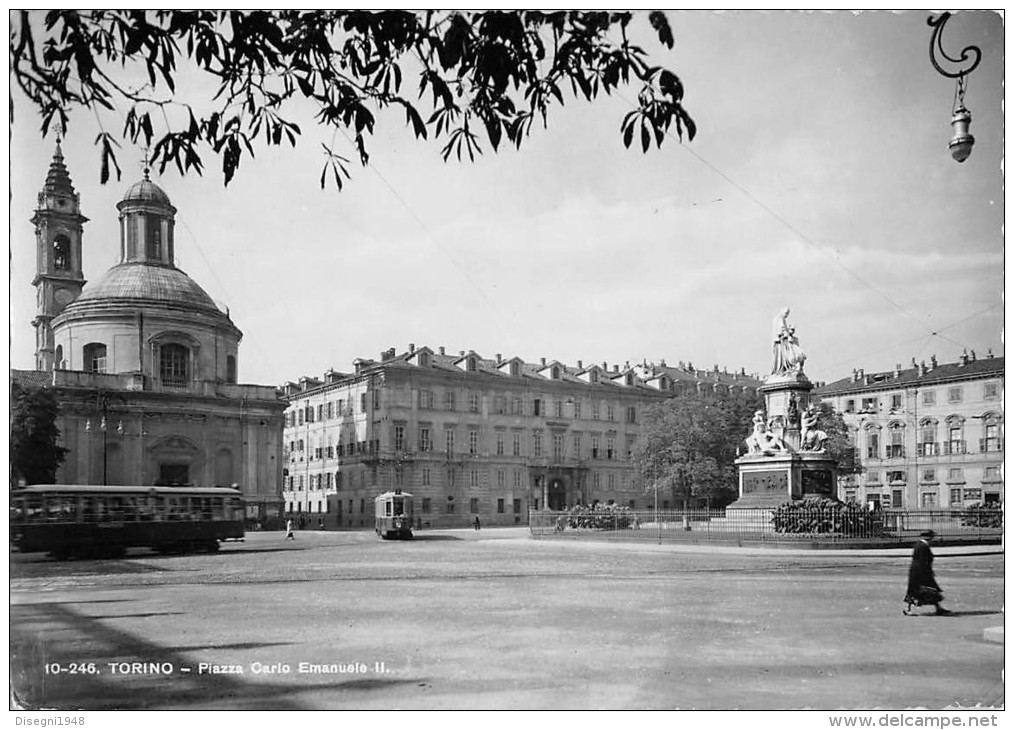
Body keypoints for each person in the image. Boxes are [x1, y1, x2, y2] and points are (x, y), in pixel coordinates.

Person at [904, 530, 951, 615]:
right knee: (918, 590)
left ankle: (938, 608)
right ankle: (908, 609)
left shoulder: (921, 544)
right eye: (931, 537)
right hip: (920, 572)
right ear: (926, 537)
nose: (932, 539)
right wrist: (927, 572)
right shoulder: (922, 546)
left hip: (920, 571)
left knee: (929, 590)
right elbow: (922, 561)